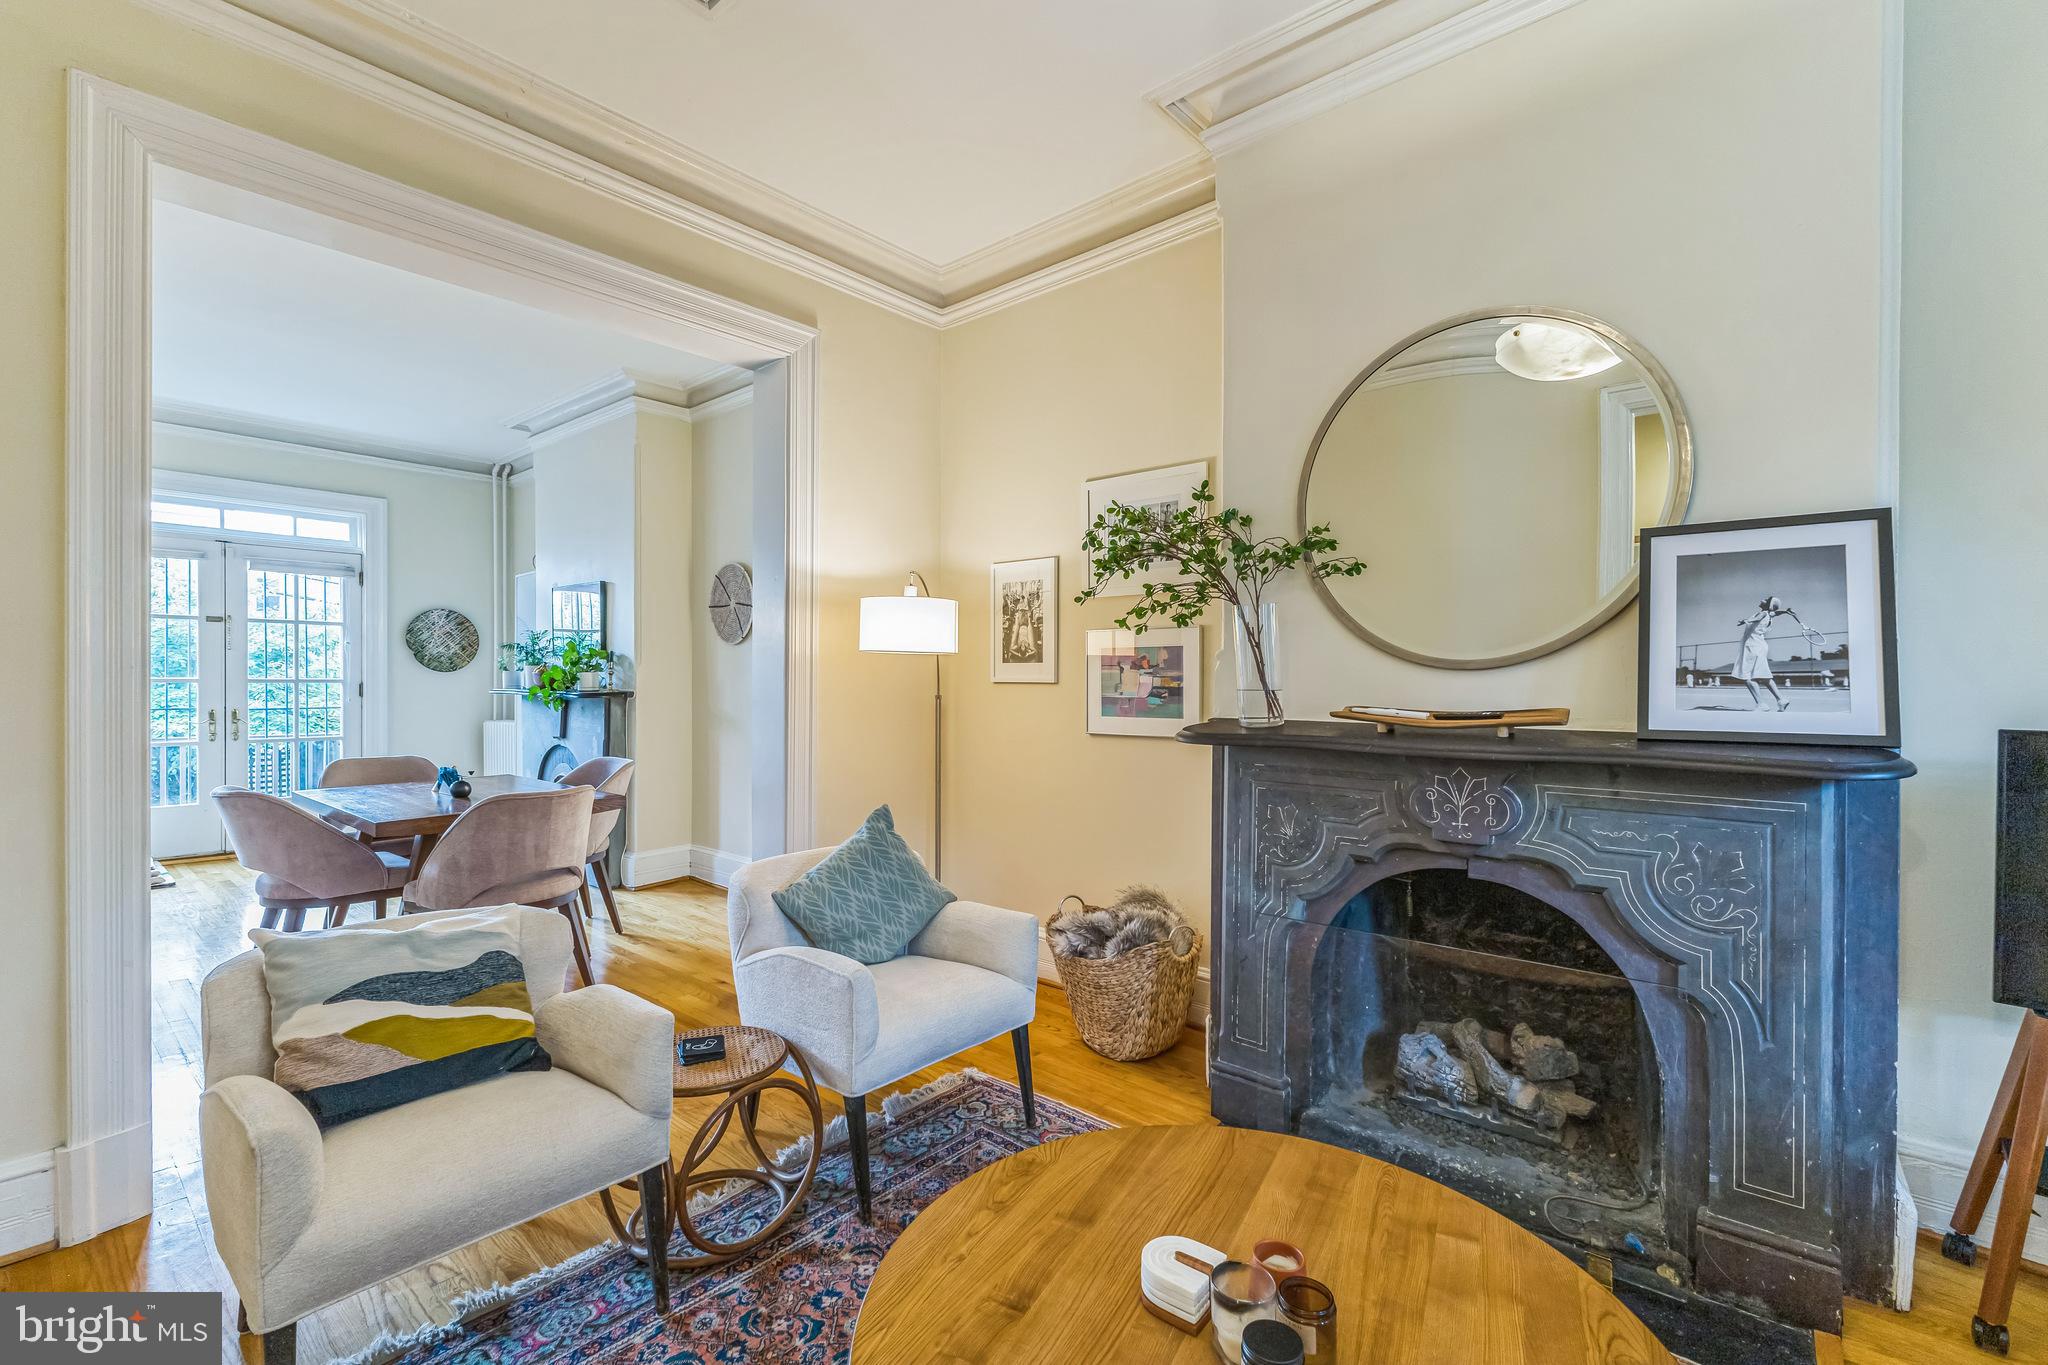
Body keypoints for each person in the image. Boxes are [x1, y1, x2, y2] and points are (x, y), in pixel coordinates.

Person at [1733, 596, 1794, 711]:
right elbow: (1776, 613)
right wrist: (1785, 611)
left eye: (1766, 599)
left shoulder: (1763, 613)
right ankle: (1781, 700)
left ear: (1768, 605)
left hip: (1753, 646)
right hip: (1759, 646)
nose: (1763, 599)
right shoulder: (1769, 614)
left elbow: (1758, 618)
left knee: (1747, 676)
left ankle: (1761, 704)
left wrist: (1746, 620)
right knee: (1764, 677)